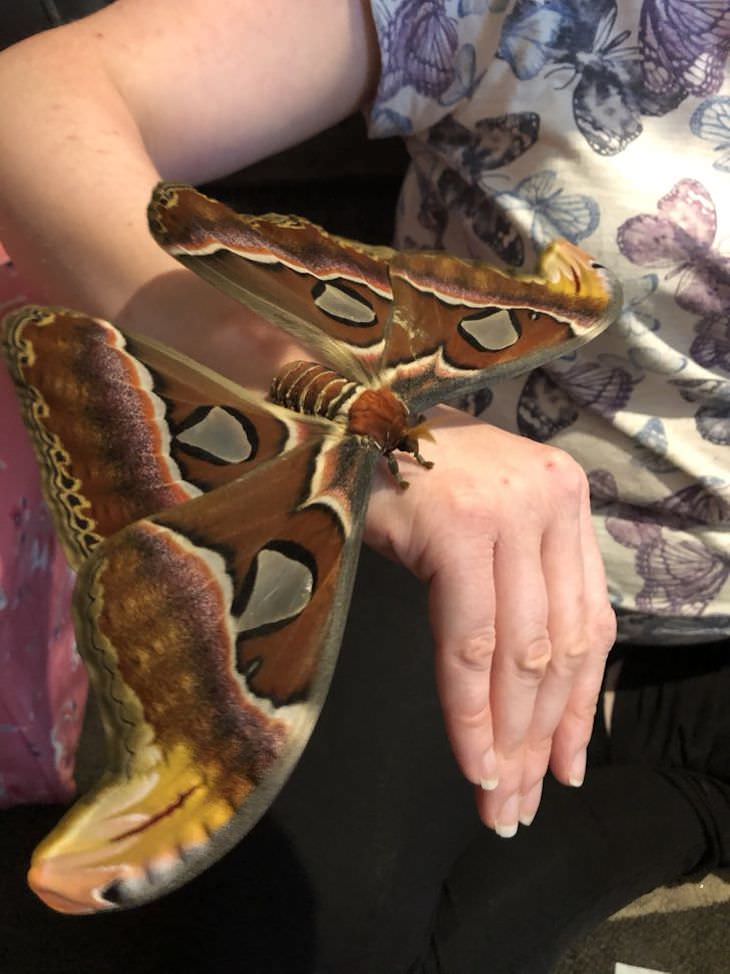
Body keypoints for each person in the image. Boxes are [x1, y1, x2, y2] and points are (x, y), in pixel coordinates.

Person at [0, 2, 727, 971]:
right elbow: (23, 104)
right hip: (440, 547)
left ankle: (683, 796)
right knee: (318, 929)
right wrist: (322, 397)